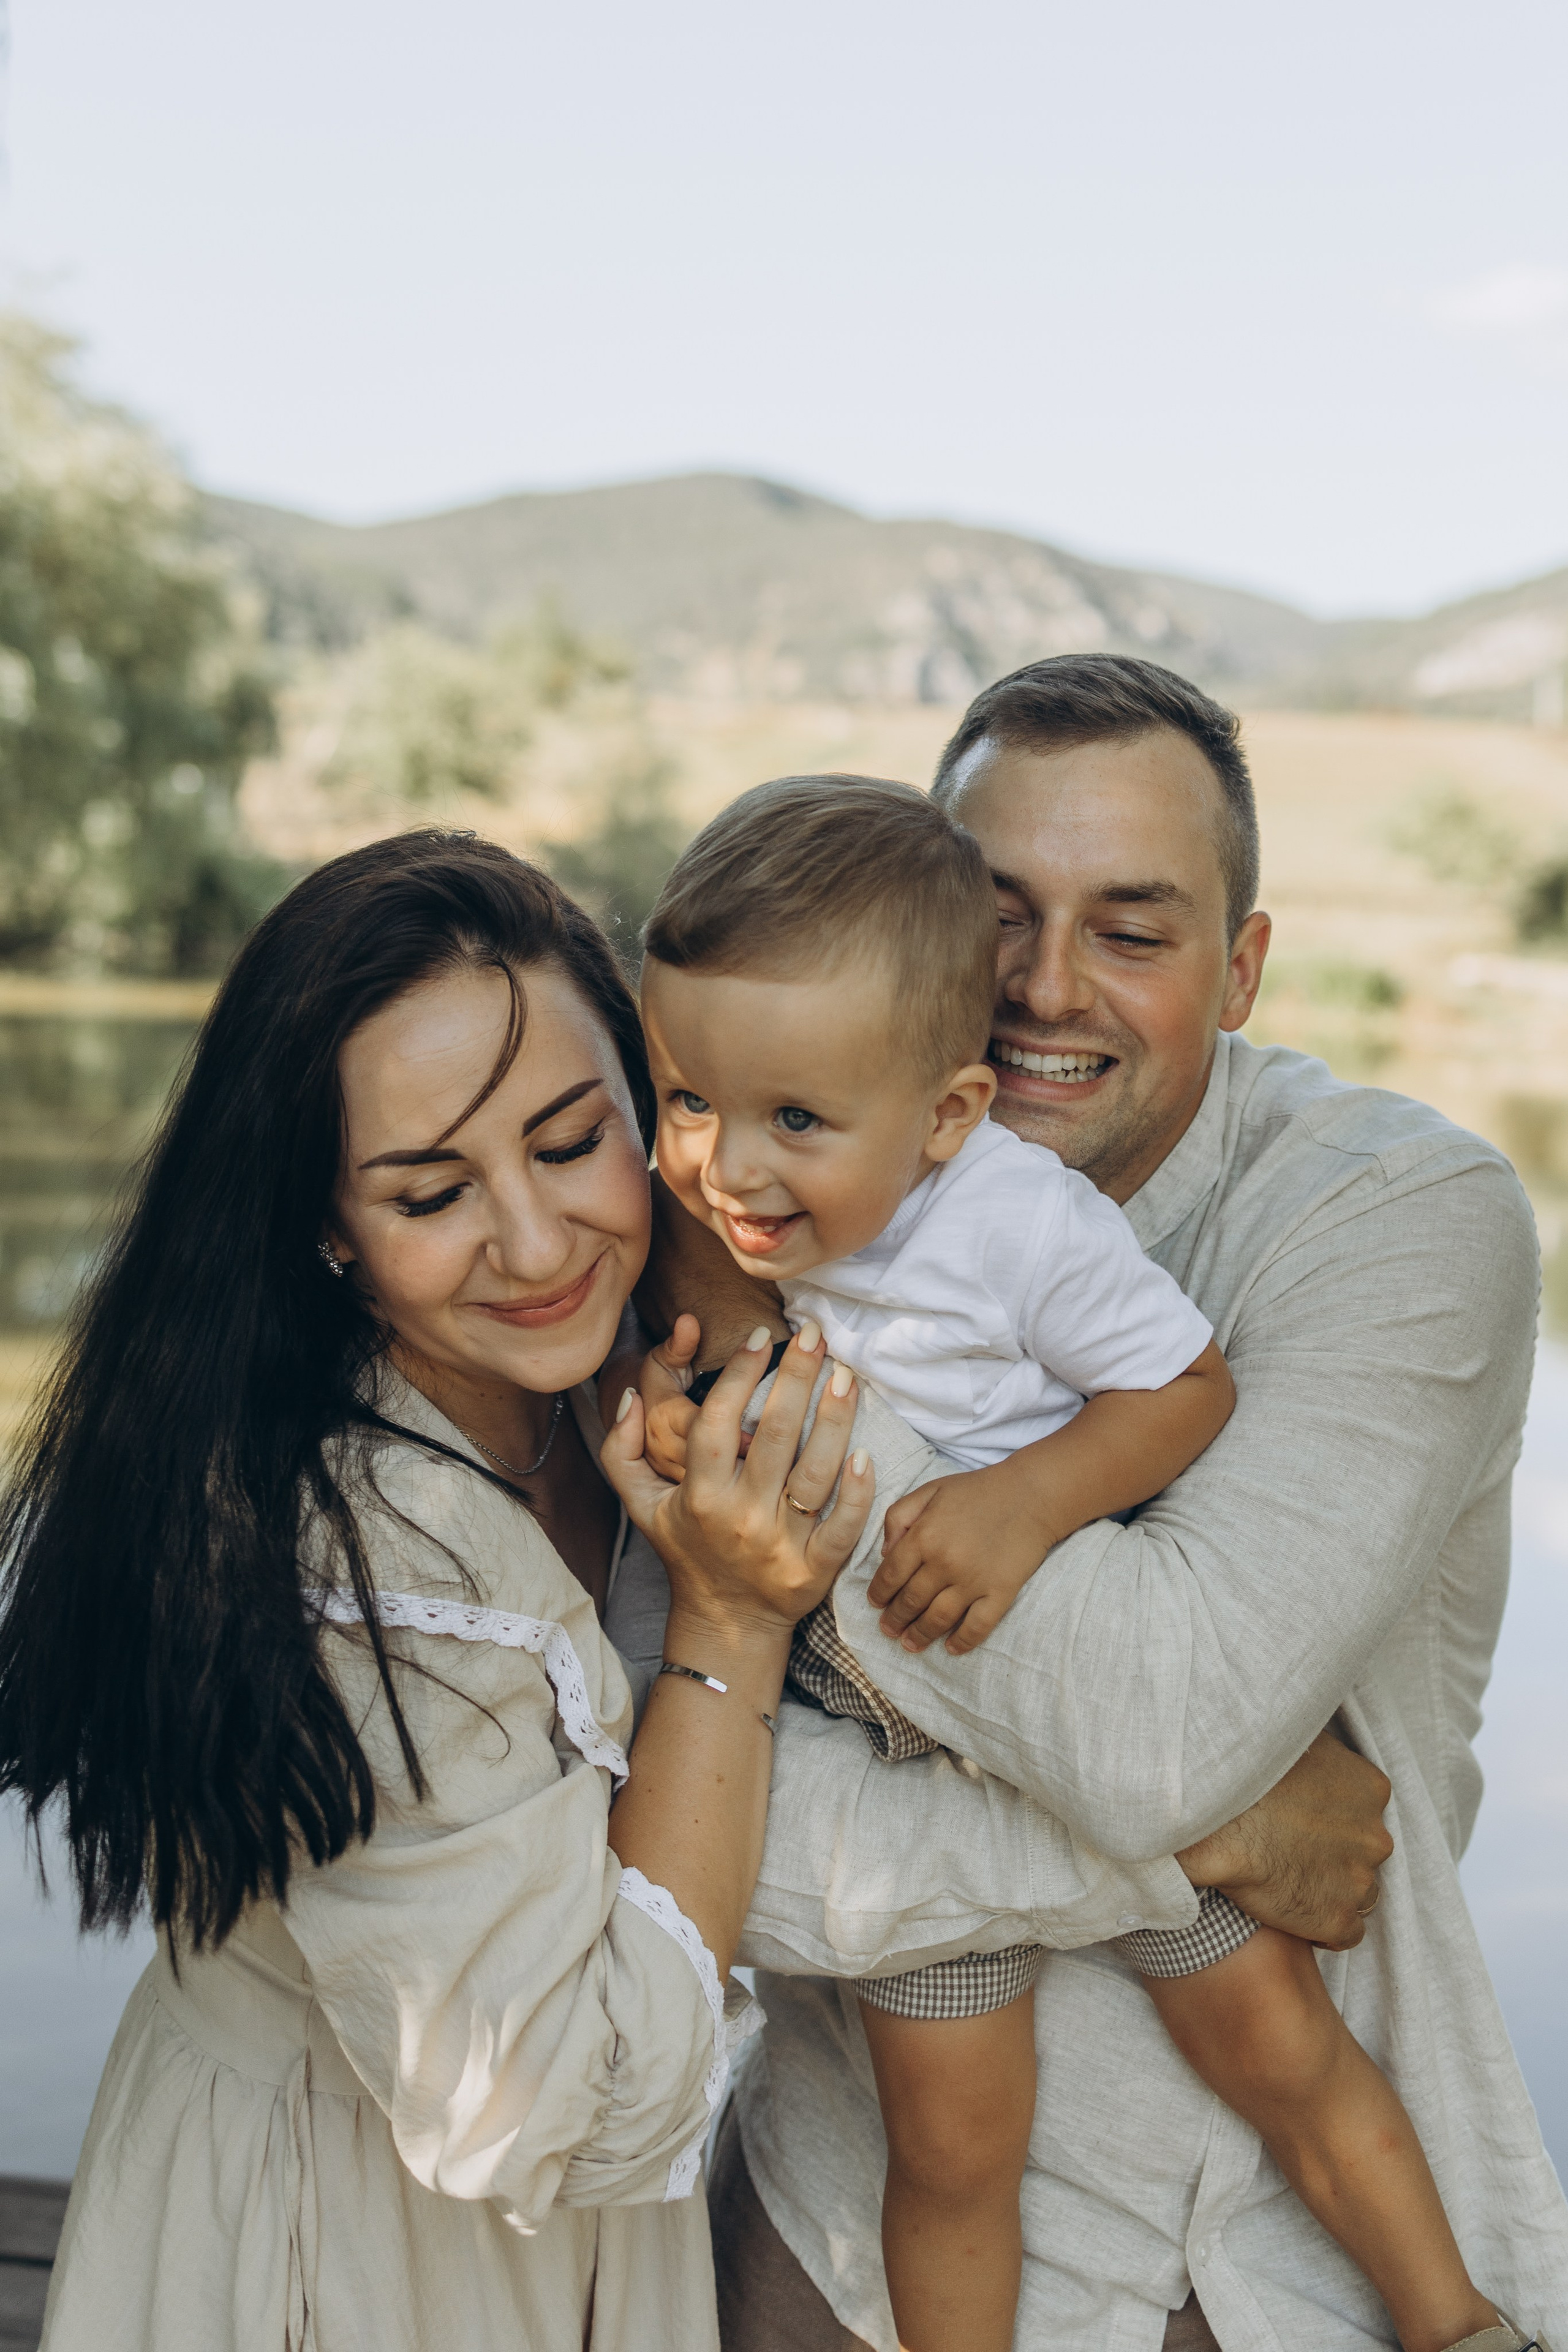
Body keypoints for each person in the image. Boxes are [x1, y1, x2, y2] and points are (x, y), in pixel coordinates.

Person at [2, 826, 1384, 2352]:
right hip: (342, 2250)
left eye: (570, 1140)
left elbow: (762, 1829)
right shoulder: (360, 1565)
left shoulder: (637, 1368)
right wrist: (1185, 1839)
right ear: (327, 1221)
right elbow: (574, 2094)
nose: (537, 1243)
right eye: (429, 1193)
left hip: (601, 2249)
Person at [630, 660, 1568, 2351]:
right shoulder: (740, 1197)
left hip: (1269, 2278)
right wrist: (1214, 1839)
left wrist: (764, 1388)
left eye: (1131, 932)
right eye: (997, 920)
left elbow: (1153, 1735)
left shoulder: (1399, 1217)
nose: (1044, 988)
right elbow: (641, 1833)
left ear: (1242, 970)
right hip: (844, 2252)